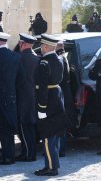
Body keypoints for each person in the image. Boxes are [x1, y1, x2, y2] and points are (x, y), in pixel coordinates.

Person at [34, 34, 68, 177]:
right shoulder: (60, 59)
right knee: (54, 135)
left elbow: (42, 88)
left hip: (47, 101)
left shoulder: (44, 63)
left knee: (48, 136)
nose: (41, 48)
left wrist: (41, 107)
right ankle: (53, 164)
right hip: (57, 98)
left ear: (46, 46)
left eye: (42, 46)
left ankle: (51, 167)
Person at [0, 31, 22, 165]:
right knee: (9, 126)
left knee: (2, 127)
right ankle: (10, 155)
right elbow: (19, 78)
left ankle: (6, 156)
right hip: (12, 95)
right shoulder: (15, 56)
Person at [15, 33, 39, 162]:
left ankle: (28, 154)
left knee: (24, 126)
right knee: (31, 126)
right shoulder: (37, 58)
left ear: (22, 44)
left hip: (23, 96)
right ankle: (30, 152)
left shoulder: (19, 58)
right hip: (34, 97)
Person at [56, 41, 78, 157]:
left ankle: (60, 148)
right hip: (66, 93)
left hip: (62, 94)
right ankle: (60, 148)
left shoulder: (60, 58)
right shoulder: (64, 57)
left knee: (60, 123)